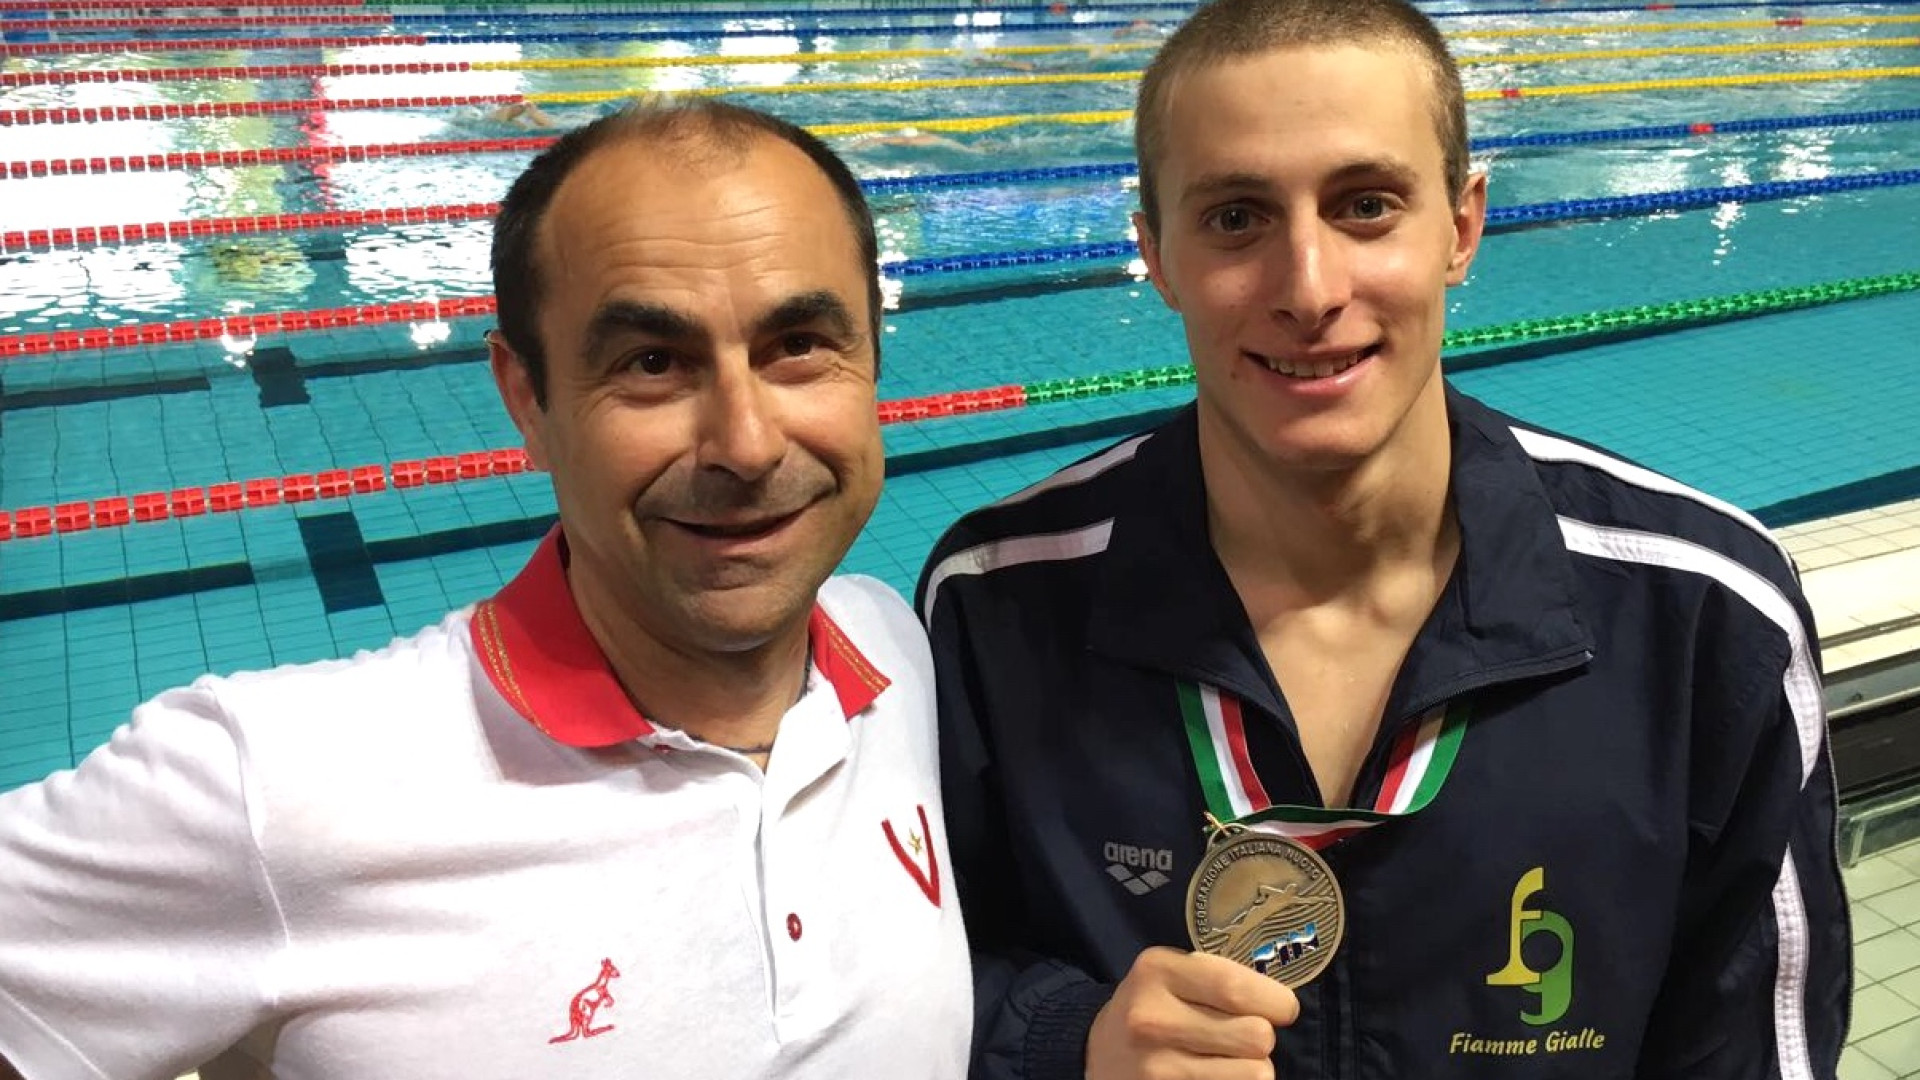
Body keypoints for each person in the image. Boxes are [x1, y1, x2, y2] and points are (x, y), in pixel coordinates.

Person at [915, 0, 1850, 1076]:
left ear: (1461, 227)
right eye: (1235, 218)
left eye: (1366, 206)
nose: (1309, 291)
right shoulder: (997, 601)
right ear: (1156, 255)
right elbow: (917, 975)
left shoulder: (1705, 617)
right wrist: (1068, 1040)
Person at [0, 100, 971, 1080]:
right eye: (651, 364)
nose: (747, 445)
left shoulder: (891, 647)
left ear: (872, 360)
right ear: (526, 400)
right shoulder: (273, 788)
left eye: (798, 344)